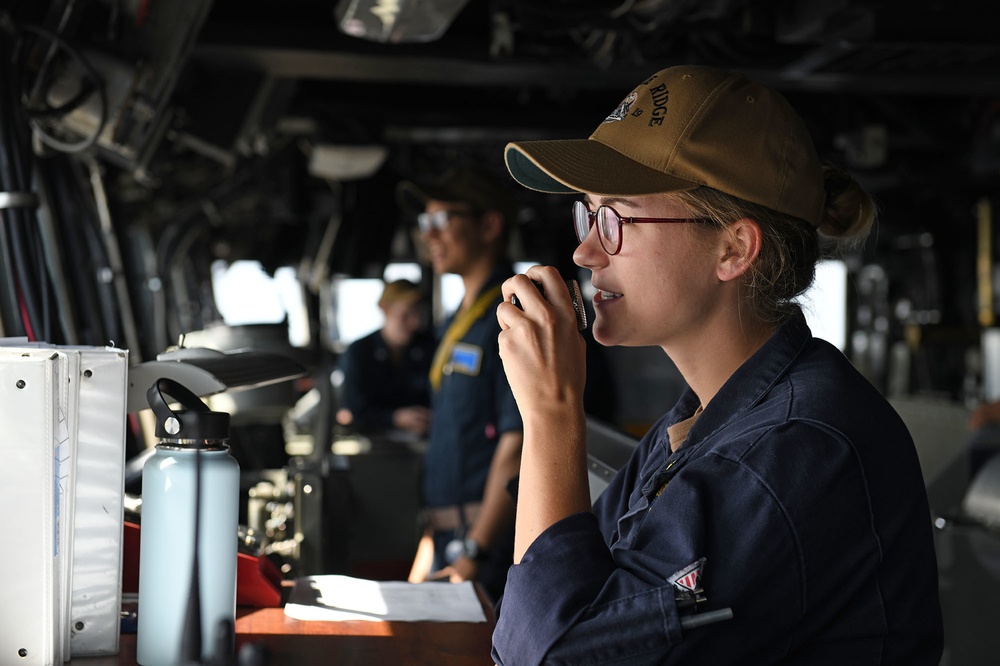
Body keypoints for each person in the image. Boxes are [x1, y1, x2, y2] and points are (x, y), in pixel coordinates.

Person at [492, 65, 943, 664]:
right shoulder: (702, 422)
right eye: (588, 213)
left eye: (616, 219)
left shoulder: (794, 447)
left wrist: (550, 412)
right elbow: (564, 600)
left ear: (733, 248)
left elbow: (552, 655)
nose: (584, 250)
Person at [397, 166, 523, 603]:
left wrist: (475, 549)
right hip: (448, 536)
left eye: (443, 220)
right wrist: (433, 540)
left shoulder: (510, 317)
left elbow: (518, 444)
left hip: (485, 543)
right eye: (424, 223)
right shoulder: (459, 321)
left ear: (488, 225)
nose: (429, 235)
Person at [336, 278, 435, 437]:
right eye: (405, 315)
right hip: (373, 444)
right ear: (385, 309)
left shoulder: (428, 347)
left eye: (417, 314)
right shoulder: (359, 352)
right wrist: (395, 418)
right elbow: (355, 410)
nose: (414, 323)